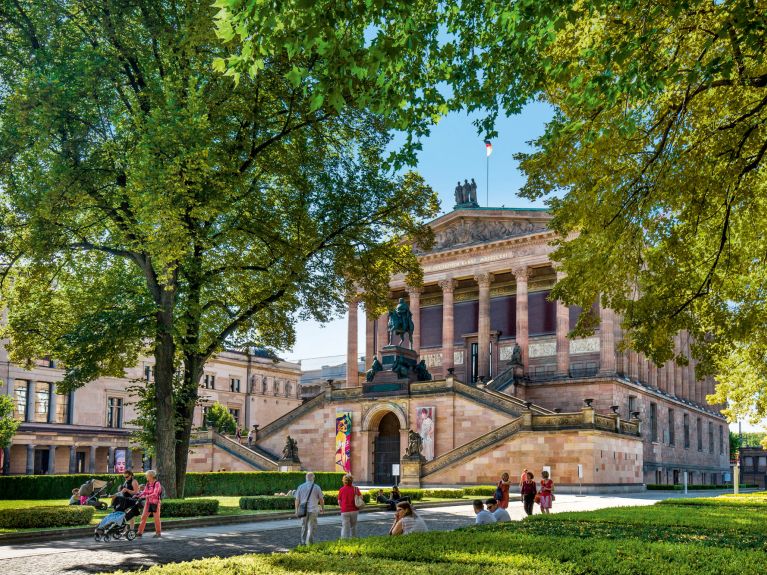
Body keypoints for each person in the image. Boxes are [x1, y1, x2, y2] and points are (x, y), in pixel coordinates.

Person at [294, 471, 324, 545]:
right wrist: (322, 508)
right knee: (312, 526)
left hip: (303, 510)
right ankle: (309, 543)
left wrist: (296, 510)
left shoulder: (300, 487)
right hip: (313, 510)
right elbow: (321, 499)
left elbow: (297, 500)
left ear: (306, 478)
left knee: (304, 526)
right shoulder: (317, 487)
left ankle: (303, 542)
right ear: (313, 478)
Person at [136, 469, 163, 538]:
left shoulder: (157, 483)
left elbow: (155, 493)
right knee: (143, 517)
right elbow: (144, 492)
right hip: (148, 502)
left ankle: (158, 533)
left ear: (151, 476)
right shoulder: (148, 484)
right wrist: (138, 495)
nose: (146, 477)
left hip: (155, 502)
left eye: (147, 476)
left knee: (156, 518)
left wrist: (146, 496)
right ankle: (139, 532)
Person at [338, 473, 362, 539]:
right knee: (353, 526)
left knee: (345, 526)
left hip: (345, 510)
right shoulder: (356, 489)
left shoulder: (341, 489)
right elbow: (361, 498)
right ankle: (353, 538)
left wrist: (342, 506)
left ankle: (344, 540)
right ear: (352, 481)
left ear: (344, 481)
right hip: (354, 510)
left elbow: (339, 501)